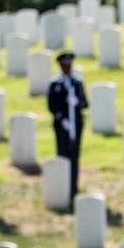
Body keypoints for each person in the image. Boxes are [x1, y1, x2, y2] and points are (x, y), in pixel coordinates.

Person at [47, 51, 88, 198]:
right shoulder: (54, 84)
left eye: (69, 65)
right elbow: (51, 106)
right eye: (65, 65)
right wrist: (62, 120)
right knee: (62, 155)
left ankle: (73, 187)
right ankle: (62, 186)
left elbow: (85, 103)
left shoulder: (76, 84)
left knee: (75, 156)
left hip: (76, 125)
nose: (67, 68)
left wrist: (77, 102)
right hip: (62, 126)